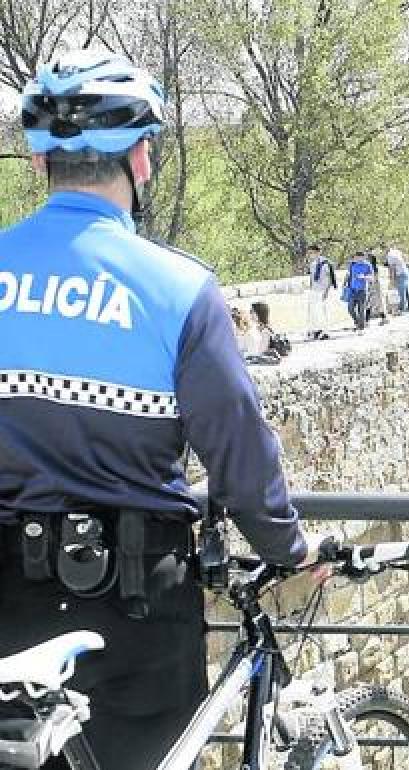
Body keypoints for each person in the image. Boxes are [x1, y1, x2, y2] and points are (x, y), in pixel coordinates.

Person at [0, 50, 319, 770]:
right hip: (135, 606)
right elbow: (237, 451)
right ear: (142, 160)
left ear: (37, 164)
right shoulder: (179, 291)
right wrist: (288, 548)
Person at [305, 242, 335, 340]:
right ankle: (316, 330)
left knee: (322, 312)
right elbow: (312, 278)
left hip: (322, 290)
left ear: (318, 252)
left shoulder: (326, 264)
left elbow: (329, 279)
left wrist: (326, 292)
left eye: (312, 253)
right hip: (314, 290)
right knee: (313, 312)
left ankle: (325, 331)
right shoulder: (313, 264)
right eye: (309, 253)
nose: (310, 255)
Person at [345, 250, 373, 329]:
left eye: (361, 257)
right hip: (352, 290)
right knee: (350, 309)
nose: (359, 259)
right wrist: (345, 284)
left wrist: (363, 277)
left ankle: (361, 327)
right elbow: (348, 274)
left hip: (362, 290)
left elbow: (371, 278)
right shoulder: (352, 264)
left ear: (364, 257)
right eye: (357, 257)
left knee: (361, 310)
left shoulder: (368, 265)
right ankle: (357, 322)